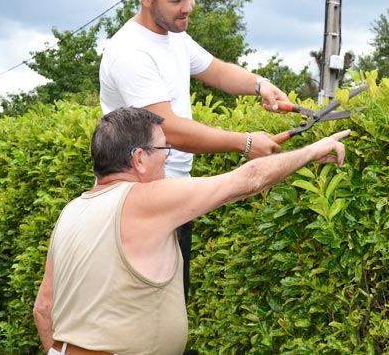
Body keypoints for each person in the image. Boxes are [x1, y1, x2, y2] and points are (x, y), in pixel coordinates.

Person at [33, 107, 349, 355]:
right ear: (139, 159)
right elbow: (247, 180)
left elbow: (44, 307)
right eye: (164, 148)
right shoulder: (141, 199)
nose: (169, 157)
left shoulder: (72, 211)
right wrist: (312, 150)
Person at [99, 0, 291, 302]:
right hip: (139, 201)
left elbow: (216, 69)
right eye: (177, 0)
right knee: (144, 313)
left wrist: (260, 85)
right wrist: (245, 142)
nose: (188, 7)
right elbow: (167, 129)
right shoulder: (130, 52)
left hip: (170, 195)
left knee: (171, 309)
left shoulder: (175, 36)